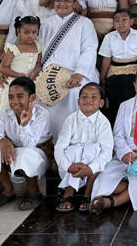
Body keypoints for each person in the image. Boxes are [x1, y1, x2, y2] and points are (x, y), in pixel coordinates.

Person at [89, 66, 137, 213]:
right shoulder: (125, 106)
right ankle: (128, 193)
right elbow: (117, 135)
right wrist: (124, 153)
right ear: (134, 85)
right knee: (104, 177)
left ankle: (110, 202)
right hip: (126, 156)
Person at [0, 77, 51, 212]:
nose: (14, 102)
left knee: (25, 153)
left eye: (20, 96)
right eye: (11, 97)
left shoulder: (42, 114)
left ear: (32, 97)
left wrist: (24, 125)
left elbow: (29, 144)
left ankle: (34, 192)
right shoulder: (6, 114)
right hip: (14, 154)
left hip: (37, 156)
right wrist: (2, 141)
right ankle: (7, 191)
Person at [39, 0, 100, 138]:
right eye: (59, 0)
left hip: (76, 72)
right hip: (49, 73)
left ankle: (72, 138)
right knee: (39, 94)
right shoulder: (45, 24)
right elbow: (38, 48)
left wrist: (80, 73)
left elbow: (89, 49)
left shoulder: (85, 23)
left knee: (73, 93)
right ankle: (46, 142)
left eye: (67, 0)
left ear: (74, 4)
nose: (62, 3)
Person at [54, 83, 114, 213]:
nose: (88, 100)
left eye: (94, 97)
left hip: (92, 170)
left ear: (101, 103)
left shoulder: (104, 123)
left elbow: (107, 152)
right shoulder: (70, 119)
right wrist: (68, 166)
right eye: (84, 97)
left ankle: (88, 192)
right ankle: (69, 190)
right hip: (72, 165)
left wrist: (90, 169)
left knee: (94, 148)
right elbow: (59, 147)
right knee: (74, 149)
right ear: (78, 101)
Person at [98, 9, 137, 122]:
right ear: (114, 24)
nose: (121, 23)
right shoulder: (109, 37)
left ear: (131, 22)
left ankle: (133, 123)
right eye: (117, 20)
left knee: (133, 95)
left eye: (124, 20)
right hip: (115, 69)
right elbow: (106, 58)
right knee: (114, 95)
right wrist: (102, 77)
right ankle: (116, 123)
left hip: (135, 69)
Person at [0, 16, 42, 119]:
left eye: (34, 32)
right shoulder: (14, 49)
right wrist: (18, 75)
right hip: (12, 84)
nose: (30, 36)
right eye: (27, 32)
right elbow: (3, 68)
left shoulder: (38, 46)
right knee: (8, 110)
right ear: (18, 32)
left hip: (28, 84)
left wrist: (35, 71)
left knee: (24, 108)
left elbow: (38, 63)